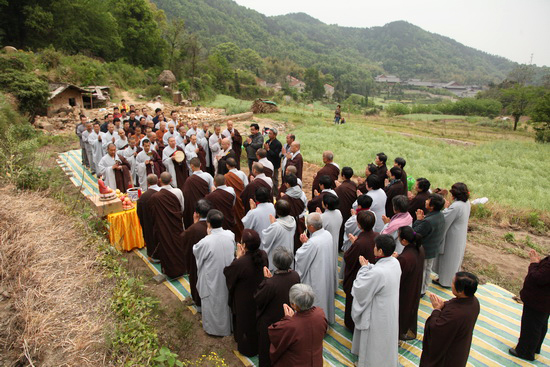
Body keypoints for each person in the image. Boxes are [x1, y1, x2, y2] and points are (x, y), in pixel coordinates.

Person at [351, 234, 401, 367]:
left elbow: (360, 288)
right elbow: (379, 273)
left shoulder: (378, 272)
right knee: (384, 340)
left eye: (375, 247)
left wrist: (363, 268)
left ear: (380, 251)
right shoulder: (395, 262)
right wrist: (369, 267)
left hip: (378, 312)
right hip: (389, 309)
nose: (373, 248)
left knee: (374, 341)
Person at [420, 272, 480, 367]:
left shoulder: (456, 314)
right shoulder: (474, 301)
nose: (451, 285)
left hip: (448, 355)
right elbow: (454, 305)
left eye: (453, 283)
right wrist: (444, 306)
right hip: (460, 348)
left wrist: (437, 309)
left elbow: (435, 329)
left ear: (461, 291)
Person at [224, 229, 268, 357]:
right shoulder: (263, 255)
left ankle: (247, 349)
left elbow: (228, 273)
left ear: (243, 246)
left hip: (244, 299)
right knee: (257, 322)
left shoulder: (241, 262)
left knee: (245, 324)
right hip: (260, 296)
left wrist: (237, 257)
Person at [255, 247, 301, 367]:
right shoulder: (295, 275)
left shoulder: (271, 283)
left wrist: (265, 280)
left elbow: (259, 299)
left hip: (271, 322)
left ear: (275, 263)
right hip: (288, 319)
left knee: (267, 351)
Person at [193, 210, 235, 336]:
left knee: (214, 303)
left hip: (212, 277)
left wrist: (197, 225)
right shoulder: (230, 235)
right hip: (227, 276)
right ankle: (229, 327)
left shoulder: (206, 241)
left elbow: (196, 250)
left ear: (208, 224)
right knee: (226, 301)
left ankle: (214, 330)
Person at [268, 284, 328, 367]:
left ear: (293, 305)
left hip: (296, 363)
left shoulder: (289, 325)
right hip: (316, 361)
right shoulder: (320, 314)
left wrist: (287, 319)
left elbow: (274, 335)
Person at [509, 250, 550, 361]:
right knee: (540, 324)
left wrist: (534, 263)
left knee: (531, 325)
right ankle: (534, 347)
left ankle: (524, 351)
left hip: (538, 300)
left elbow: (538, 278)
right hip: (544, 301)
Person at [295, 213, 335, 323]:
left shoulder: (312, 242)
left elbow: (300, 257)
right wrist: (307, 243)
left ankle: (316, 324)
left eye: (307, 225)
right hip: (325, 272)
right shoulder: (327, 234)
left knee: (317, 299)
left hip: (316, 276)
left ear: (311, 227)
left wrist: (304, 244)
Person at [343, 210, 377, 331]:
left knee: (355, 301)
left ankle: (352, 324)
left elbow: (348, 258)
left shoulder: (360, 243)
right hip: (373, 276)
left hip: (359, 275)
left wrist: (354, 244)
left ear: (359, 225)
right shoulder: (377, 236)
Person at [434, 183, 471, 288]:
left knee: (449, 258)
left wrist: (445, 208)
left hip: (452, 235)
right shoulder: (466, 203)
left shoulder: (456, 206)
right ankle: (448, 278)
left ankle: (445, 281)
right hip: (459, 233)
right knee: (455, 258)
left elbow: (445, 219)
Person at [150, 172, 186, 278]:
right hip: (177, 223)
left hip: (164, 226)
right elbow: (182, 208)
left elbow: (154, 215)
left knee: (167, 246)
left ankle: (170, 271)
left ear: (160, 181)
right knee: (179, 245)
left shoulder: (155, 197)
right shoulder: (178, 191)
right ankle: (182, 268)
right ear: (171, 180)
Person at [181, 199, 212, 308]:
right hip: (212, 263)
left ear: (197, 214)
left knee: (197, 279)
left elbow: (184, 239)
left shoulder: (193, 229)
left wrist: (194, 224)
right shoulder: (215, 224)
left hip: (196, 263)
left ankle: (199, 304)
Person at [413, 193, 446, 295]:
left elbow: (415, 233)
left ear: (432, 206)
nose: (426, 201)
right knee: (427, 269)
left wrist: (418, 220)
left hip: (425, 249)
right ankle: (424, 288)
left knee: (422, 270)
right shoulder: (440, 215)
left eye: (428, 201)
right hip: (433, 248)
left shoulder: (428, 221)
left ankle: (420, 290)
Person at [396, 226, 425, 340]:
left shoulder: (405, 258)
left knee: (403, 310)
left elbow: (399, 275)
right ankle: (407, 329)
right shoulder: (420, 248)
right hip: (415, 284)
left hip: (405, 288)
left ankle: (400, 332)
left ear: (404, 241)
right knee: (411, 308)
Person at [260, 199, 296, 271]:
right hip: (288, 253)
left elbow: (265, 240)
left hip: (278, 257)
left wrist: (273, 224)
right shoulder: (293, 220)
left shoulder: (276, 226)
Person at [279, 174, 307, 253]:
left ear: (287, 184)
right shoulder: (303, 194)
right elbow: (305, 207)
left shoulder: (285, 198)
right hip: (300, 220)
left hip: (288, 223)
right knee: (298, 241)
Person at [182, 157, 213, 229]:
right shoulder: (208, 176)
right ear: (201, 164)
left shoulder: (189, 180)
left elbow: (185, 195)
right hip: (206, 205)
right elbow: (212, 190)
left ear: (191, 166)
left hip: (194, 207)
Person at [137, 174, 161, 262]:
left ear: (147, 183)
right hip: (163, 222)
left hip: (149, 223)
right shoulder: (163, 192)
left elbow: (139, 212)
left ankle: (154, 256)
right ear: (158, 181)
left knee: (151, 237)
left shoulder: (144, 197)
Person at [319, 194, 342, 287]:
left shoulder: (323, 217)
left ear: (326, 205)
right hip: (335, 241)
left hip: (325, 244)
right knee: (333, 264)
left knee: (325, 265)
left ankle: (326, 286)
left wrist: (320, 215)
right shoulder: (338, 213)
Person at [224, 157, 248, 241]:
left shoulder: (226, 177)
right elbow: (246, 186)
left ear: (227, 165)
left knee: (235, 219)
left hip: (233, 202)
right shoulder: (242, 174)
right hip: (242, 200)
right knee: (242, 217)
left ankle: (237, 238)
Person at [335, 167, 357, 250]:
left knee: (342, 228)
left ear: (342, 175)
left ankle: (340, 245)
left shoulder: (341, 188)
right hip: (351, 210)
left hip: (343, 210)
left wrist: (338, 187)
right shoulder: (353, 184)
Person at [264, 128, 282, 196]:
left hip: (274, 164)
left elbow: (276, 155)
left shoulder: (278, 144)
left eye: (270, 134)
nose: (269, 135)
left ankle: (275, 193)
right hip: (267, 163)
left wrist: (268, 149)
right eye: (269, 133)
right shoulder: (267, 141)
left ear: (275, 135)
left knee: (275, 179)